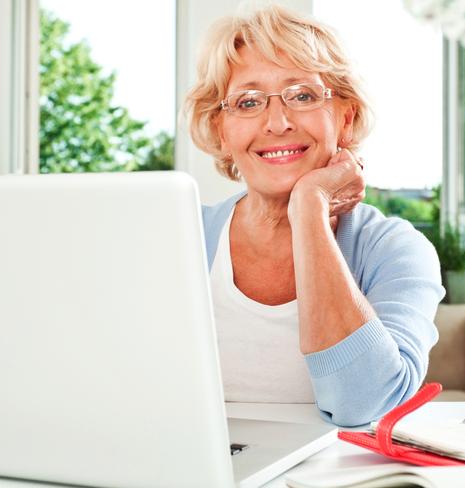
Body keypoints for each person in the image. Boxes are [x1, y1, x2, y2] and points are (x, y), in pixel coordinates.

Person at [184, 4, 445, 427]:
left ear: (346, 116)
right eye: (248, 102)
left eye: (303, 96)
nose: (277, 122)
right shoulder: (181, 237)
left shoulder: (395, 249)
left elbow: (365, 403)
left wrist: (308, 207)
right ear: (220, 131)